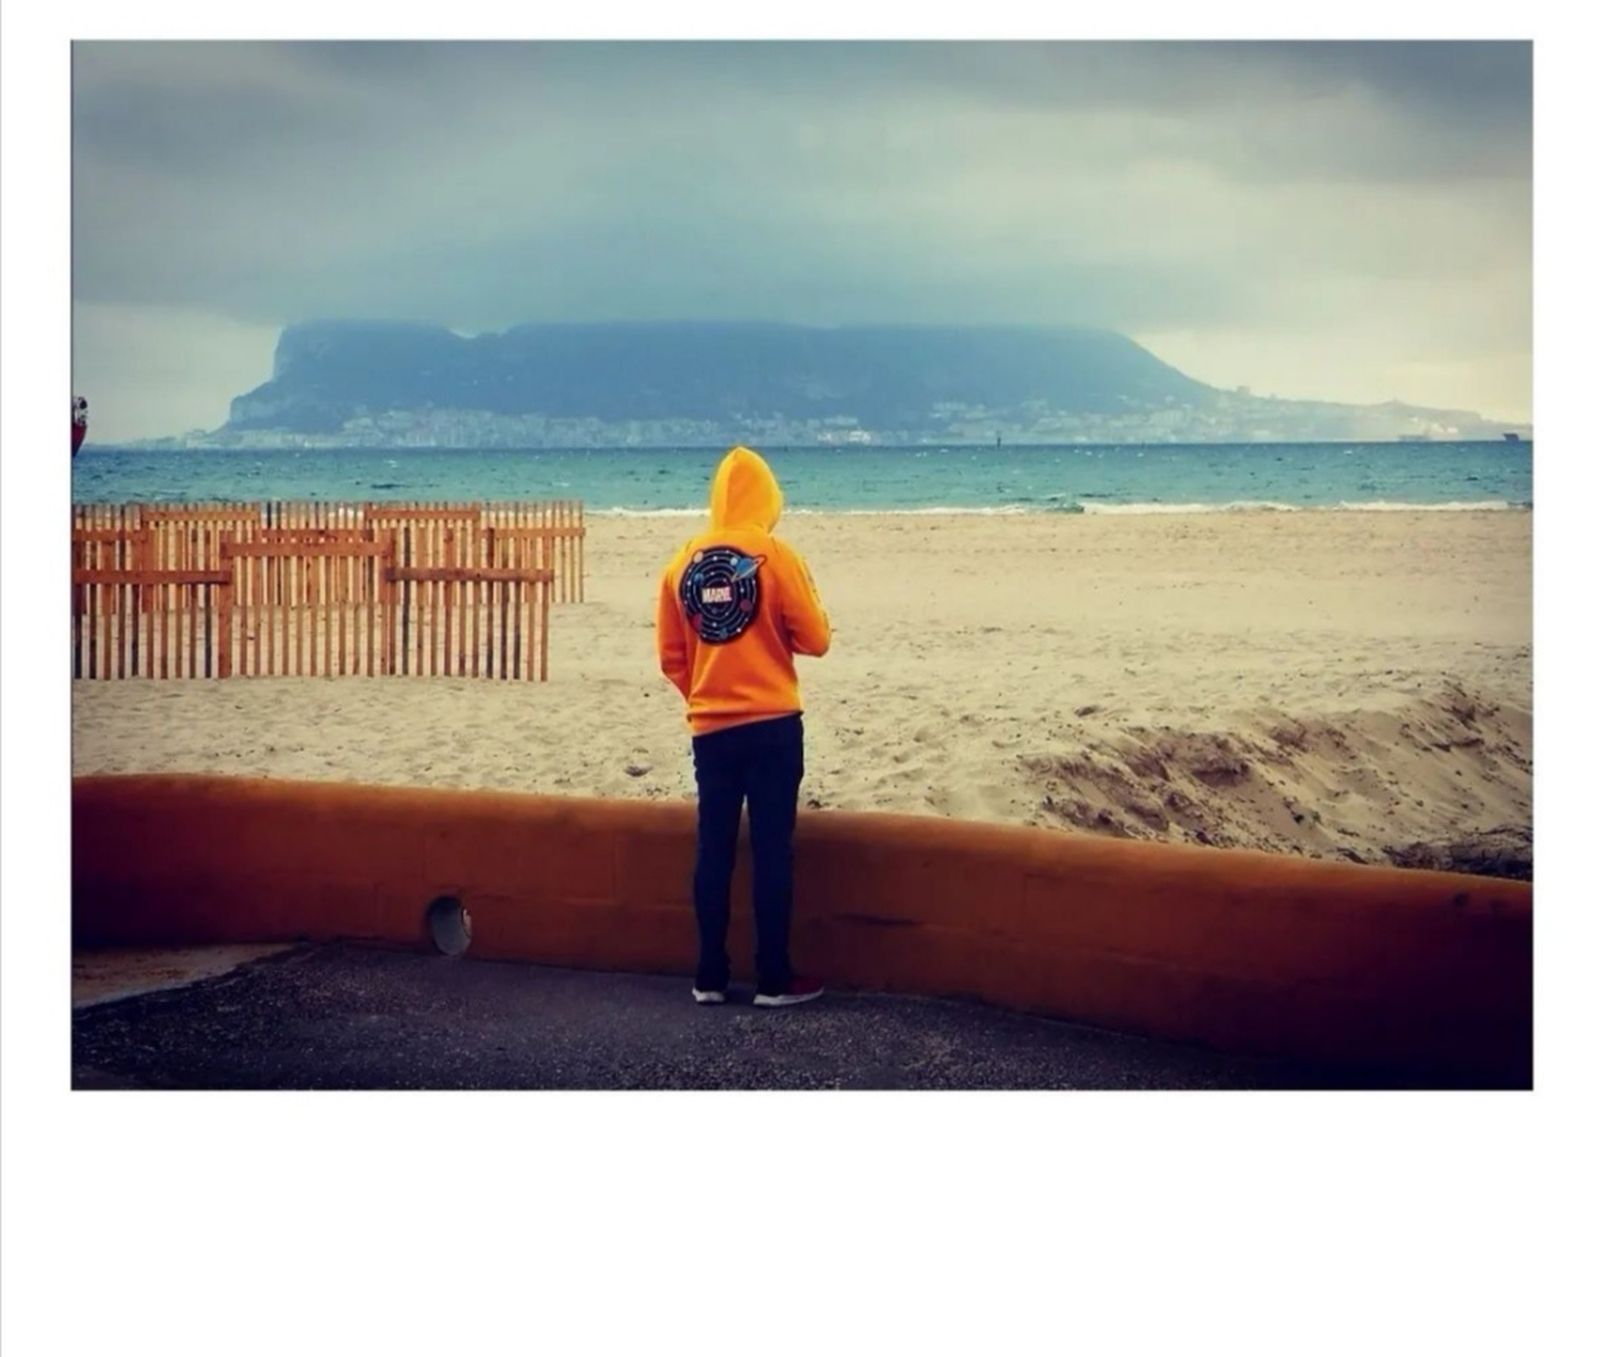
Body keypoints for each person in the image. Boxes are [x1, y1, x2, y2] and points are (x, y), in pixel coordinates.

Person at [656, 445, 831, 1007]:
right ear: (768, 498)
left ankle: (709, 976)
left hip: (712, 730)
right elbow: (817, 640)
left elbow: (671, 657)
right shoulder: (775, 555)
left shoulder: (681, 562)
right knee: (773, 850)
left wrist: (707, 693)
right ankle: (774, 980)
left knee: (714, 848)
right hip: (775, 724)